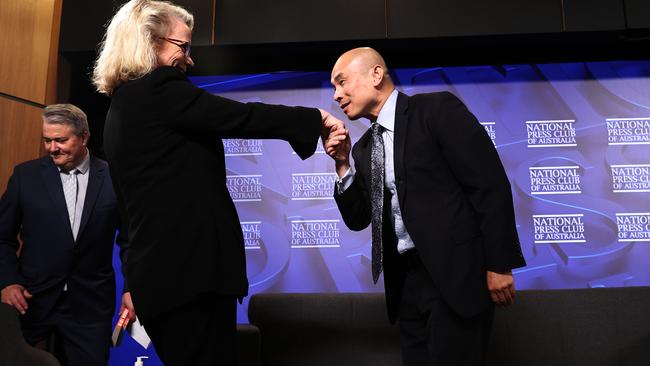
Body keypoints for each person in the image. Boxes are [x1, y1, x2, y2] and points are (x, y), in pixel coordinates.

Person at [91, 1, 344, 364]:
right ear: (149, 42)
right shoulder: (159, 90)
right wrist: (314, 118)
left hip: (161, 282)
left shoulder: (122, 105)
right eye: (183, 46)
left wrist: (132, 282)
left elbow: (130, 217)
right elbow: (239, 116)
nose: (189, 59)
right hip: (188, 279)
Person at [324, 47, 526, 365]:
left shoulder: (436, 110)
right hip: (406, 286)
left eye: (342, 81)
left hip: (456, 278)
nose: (336, 95)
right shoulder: (362, 149)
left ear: (376, 74)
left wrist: (499, 264)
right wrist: (342, 166)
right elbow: (359, 218)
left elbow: (489, 185)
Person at [0, 104, 130, 366]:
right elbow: (2, 238)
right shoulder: (25, 176)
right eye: (47, 140)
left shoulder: (114, 178)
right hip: (30, 299)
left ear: (84, 137)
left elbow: (131, 239)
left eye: (60, 140)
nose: (51, 148)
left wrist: (131, 288)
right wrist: (8, 282)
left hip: (90, 306)